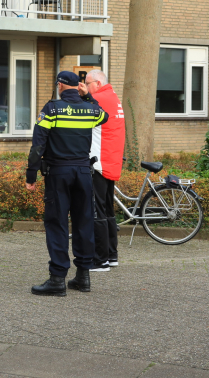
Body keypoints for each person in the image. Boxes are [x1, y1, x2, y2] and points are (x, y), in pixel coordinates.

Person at [26, 71, 108, 296]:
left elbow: (38, 146)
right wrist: (87, 96)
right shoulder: (90, 109)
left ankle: (57, 279)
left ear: (60, 86)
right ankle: (83, 277)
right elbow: (104, 116)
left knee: (57, 223)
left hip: (58, 173)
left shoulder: (51, 109)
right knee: (84, 222)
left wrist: (31, 176)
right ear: (78, 86)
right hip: (83, 173)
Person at [79, 69, 125, 272]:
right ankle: (112, 255)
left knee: (97, 211)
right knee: (107, 210)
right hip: (111, 161)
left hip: (99, 163)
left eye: (88, 83)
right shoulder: (112, 97)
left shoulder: (99, 99)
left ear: (97, 83)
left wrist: (82, 96)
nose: (86, 87)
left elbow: (81, 111)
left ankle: (100, 260)